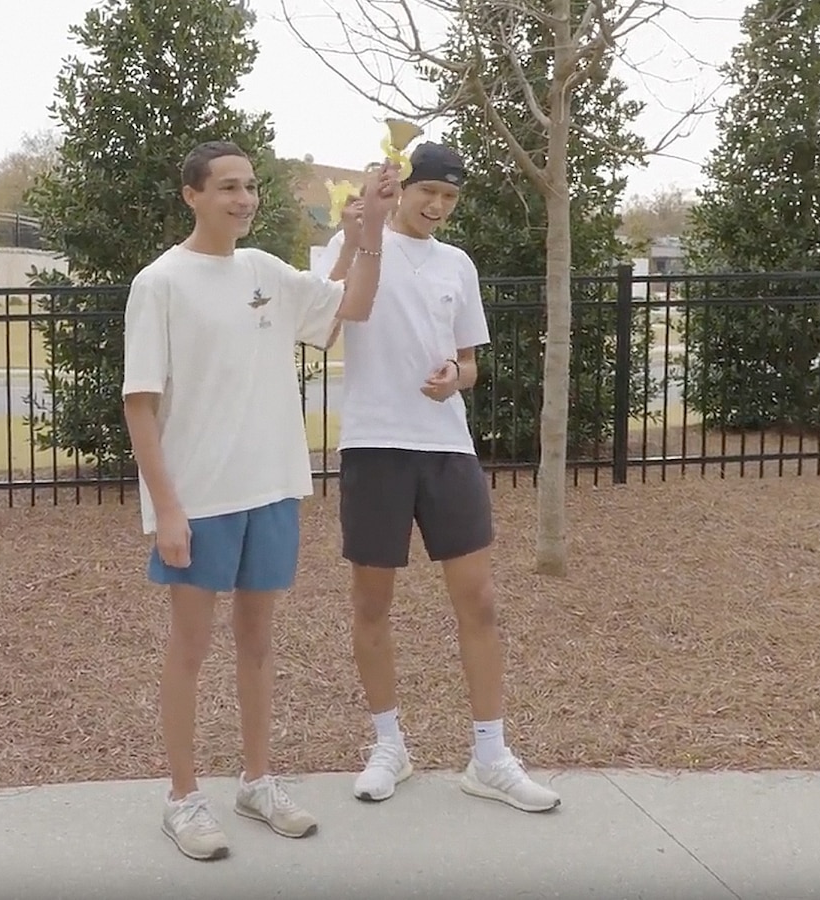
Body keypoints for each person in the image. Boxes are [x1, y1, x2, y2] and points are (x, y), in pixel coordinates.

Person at [121, 140, 398, 861]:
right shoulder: (160, 283)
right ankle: (182, 799)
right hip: (201, 500)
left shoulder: (265, 271)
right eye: (226, 187)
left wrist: (368, 235)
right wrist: (168, 510)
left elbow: (349, 309)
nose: (242, 199)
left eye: (248, 187)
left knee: (258, 645)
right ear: (191, 194)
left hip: (273, 487)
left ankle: (256, 781)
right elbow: (140, 406)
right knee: (190, 649)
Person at [312, 142, 562, 813]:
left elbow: (470, 363)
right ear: (404, 187)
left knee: (478, 601)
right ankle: (389, 746)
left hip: (447, 448)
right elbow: (324, 323)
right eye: (429, 192)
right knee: (372, 605)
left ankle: (489, 757)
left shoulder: (457, 264)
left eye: (450, 198)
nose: (438, 206)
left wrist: (458, 375)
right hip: (373, 444)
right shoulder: (357, 245)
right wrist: (361, 223)